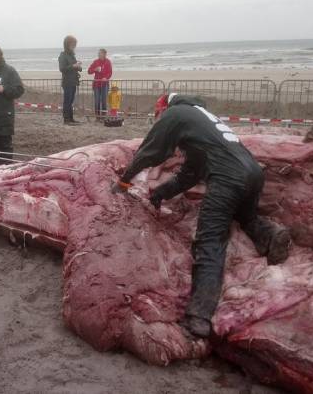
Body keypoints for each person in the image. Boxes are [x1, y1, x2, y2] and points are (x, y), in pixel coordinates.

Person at [112, 93, 291, 339]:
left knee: (209, 240)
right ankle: (270, 235)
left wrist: (122, 182)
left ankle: (198, 317)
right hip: (252, 172)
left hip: (228, 178)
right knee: (244, 215)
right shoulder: (202, 119)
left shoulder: (175, 114)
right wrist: (161, 193)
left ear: (165, 109)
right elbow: (191, 173)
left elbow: (149, 151)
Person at [58, 35, 82, 125]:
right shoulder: (63, 55)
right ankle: (66, 119)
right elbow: (62, 68)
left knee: (71, 101)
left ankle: (71, 118)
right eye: (73, 44)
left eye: (74, 44)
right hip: (67, 82)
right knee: (67, 101)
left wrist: (78, 67)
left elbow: (75, 67)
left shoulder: (72, 55)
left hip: (73, 81)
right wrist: (73, 66)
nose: (74, 46)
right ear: (68, 44)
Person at [87, 48, 112, 119]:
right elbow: (89, 71)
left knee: (104, 101)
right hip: (96, 84)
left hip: (105, 84)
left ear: (104, 54)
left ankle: (103, 116)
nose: (99, 54)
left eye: (100, 53)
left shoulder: (108, 62)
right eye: (98, 53)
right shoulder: (95, 62)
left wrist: (106, 78)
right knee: (97, 101)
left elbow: (110, 72)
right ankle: (97, 117)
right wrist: (95, 69)